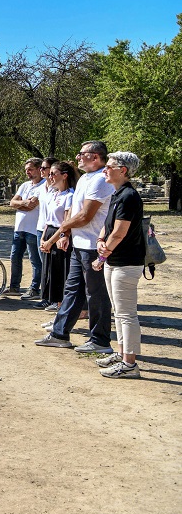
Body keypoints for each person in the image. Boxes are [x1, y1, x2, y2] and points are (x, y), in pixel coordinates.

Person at [35, 141, 115, 352]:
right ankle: (60, 334)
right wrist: (65, 233)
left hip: (93, 247)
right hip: (79, 245)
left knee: (96, 294)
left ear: (96, 157)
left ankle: (100, 341)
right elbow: (74, 212)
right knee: (71, 291)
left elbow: (85, 216)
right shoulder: (85, 179)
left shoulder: (101, 179)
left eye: (82, 154)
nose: (78, 157)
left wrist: (61, 230)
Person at [96, 151, 146, 379]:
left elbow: (119, 232)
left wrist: (102, 256)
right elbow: (108, 227)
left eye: (109, 166)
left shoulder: (128, 196)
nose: (105, 169)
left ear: (122, 170)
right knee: (119, 312)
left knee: (126, 314)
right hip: (115, 261)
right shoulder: (118, 194)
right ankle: (121, 353)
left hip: (126, 262)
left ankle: (130, 364)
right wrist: (99, 240)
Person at [36, 161, 77, 310]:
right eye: (50, 173)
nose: (50, 176)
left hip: (60, 236)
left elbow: (66, 222)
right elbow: (48, 219)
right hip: (49, 233)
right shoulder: (53, 194)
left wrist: (51, 241)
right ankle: (55, 306)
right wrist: (43, 239)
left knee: (60, 274)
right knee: (50, 273)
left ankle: (61, 308)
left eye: (54, 173)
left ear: (64, 176)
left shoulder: (70, 195)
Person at [7, 158, 46, 297]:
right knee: (14, 257)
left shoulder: (44, 185)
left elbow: (31, 206)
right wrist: (23, 202)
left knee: (35, 260)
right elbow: (12, 202)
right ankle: (14, 286)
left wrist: (21, 204)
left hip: (33, 229)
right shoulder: (24, 185)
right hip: (19, 228)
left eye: (30, 169)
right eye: (26, 170)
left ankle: (35, 288)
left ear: (39, 169)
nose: (27, 172)